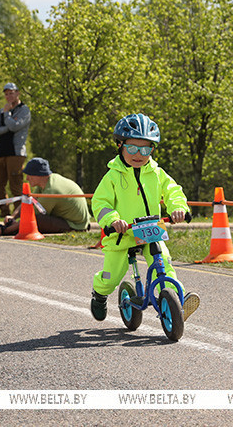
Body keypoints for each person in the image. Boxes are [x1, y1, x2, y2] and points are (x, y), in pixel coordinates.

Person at [89, 113, 200, 322]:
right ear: (120, 146)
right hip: (122, 234)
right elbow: (100, 203)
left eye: (146, 149)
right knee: (111, 276)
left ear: (152, 150)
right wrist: (112, 220)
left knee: (163, 262)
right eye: (132, 148)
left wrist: (178, 208)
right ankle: (100, 294)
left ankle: (176, 302)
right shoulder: (113, 176)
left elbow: (173, 191)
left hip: (151, 231)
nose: (139, 154)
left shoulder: (156, 173)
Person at [0, 157, 91, 236]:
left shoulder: (51, 190)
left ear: (39, 175)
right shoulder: (48, 181)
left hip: (76, 226)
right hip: (68, 221)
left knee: (36, 221)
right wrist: (13, 215)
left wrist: (6, 229)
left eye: (29, 175)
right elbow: (28, 202)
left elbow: (31, 218)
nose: (27, 178)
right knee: (30, 220)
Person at [0, 82, 31, 217]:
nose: (8, 96)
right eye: (6, 94)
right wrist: (6, 125)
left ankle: (19, 215)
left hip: (16, 152)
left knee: (15, 185)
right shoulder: (2, 111)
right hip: (1, 152)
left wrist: (7, 114)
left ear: (17, 93)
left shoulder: (24, 110)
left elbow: (15, 127)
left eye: (11, 93)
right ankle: (5, 213)